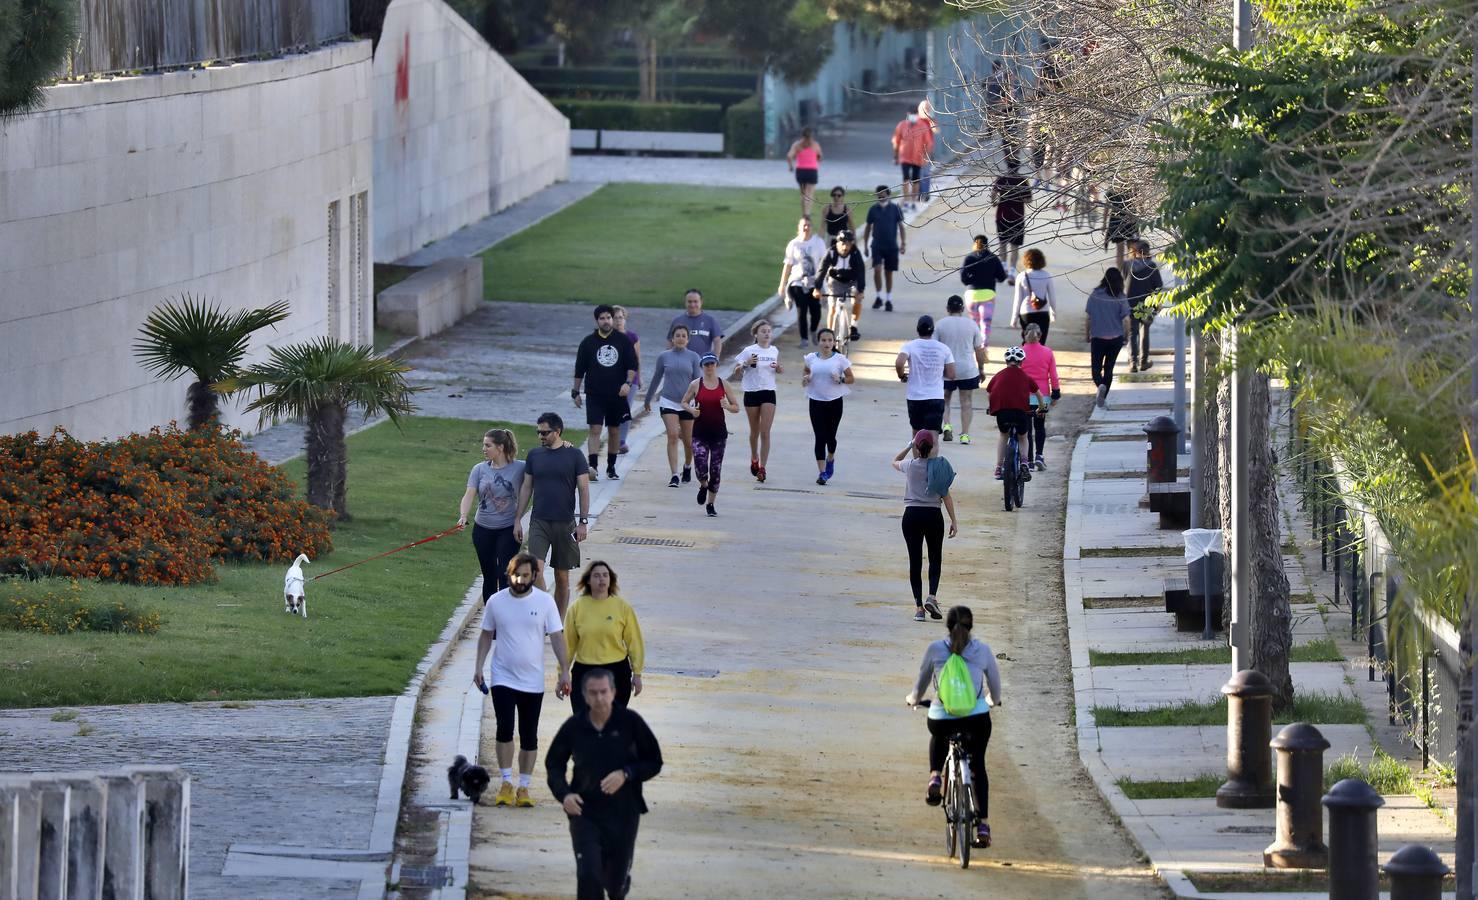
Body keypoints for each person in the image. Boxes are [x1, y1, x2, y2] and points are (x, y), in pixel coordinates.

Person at [546, 668, 663, 900]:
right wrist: (565, 795)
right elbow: (554, 764)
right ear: (584, 696)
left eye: (604, 692)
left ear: (613, 692)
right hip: (585, 810)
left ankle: (619, 884)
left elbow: (654, 761)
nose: (599, 698)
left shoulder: (630, 723)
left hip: (624, 813)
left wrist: (627, 773)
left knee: (614, 884)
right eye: (593, 693)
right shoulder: (574, 726)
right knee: (589, 875)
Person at [474, 553, 572, 808]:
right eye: (516, 575)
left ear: (535, 576)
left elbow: (557, 637)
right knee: (504, 728)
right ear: (509, 575)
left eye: (526, 576)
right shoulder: (496, 602)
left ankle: (524, 786)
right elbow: (486, 636)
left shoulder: (545, 602)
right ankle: (506, 782)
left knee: (529, 735)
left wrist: (564, 670)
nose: (520, 580)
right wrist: (478, 667)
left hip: (532, 679)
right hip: (502, 676)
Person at [906, 605, 1003, 850]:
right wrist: (990, 702)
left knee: (939, 732)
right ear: (971, 627)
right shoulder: (982, 650)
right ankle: (982, 825)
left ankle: (936, 777)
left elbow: (921, 684)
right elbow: (995, 688)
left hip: (943, 716)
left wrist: (914, 699)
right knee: (978, 765)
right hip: (977, 719)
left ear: (947, 627)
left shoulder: (936, 649)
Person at [514, 413, 591, 618]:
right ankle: (546, 610)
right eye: (538, 432)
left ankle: (558, 620)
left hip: (566, 524)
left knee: (562, 577)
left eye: (545, 432)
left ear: (557, 432)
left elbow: (584, 488)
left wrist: (583, 522)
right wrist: (517, 519)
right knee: (535, 569)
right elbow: (526, 487)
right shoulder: (534, 455)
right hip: (539, 520)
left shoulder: (574, 455)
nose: (541, 436)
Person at [891, 430, 959, 622]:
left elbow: (894, 461)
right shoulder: (939, 468)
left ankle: (919, 608)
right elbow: (946, 495)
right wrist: (953, 520)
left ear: (917, 447)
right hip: (933, 515)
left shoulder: (910, 465)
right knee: (935, 557)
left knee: (915, 561)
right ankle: (932, 596)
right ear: (932, 448)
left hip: (911, 515)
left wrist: (908, 445)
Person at [563, 561, 644, 716]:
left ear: (610, 579)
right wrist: (563, 674)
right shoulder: (576, 608)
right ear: (588, 580)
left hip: (617, 672)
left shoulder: (622, 608)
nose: (601, 579)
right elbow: (568, 644)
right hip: (584, 671)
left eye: (605, 575)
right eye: (597, 575)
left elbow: (634, 642)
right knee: (584, 723)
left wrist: (637, 674)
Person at [458, 428, 525, 602]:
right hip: (482, 530)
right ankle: (491, 618)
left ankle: (505, 616)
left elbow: (542, 466)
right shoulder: (479, 469)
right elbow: (469, 494)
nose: (484, 449)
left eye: (488, 445)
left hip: (508, 530)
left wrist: (565, 446)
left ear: (500, 447)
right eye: (483, 445)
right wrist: (463, 515)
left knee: (505, 574)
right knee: (489, 575)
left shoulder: (520, 467)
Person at [573, 305, 637, 482]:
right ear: (597, 321)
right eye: (602, 318)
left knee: (614, 430)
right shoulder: (588, 342)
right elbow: (580, 369)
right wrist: (575, 391)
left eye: (609, 317)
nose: (606, 321)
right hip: (594, 393)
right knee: (594, 428)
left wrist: (628, 383)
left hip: (616, 394)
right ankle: (592, 466)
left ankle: (611, 466)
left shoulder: (622, 341)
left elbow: (632, 365)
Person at [642, 324, 702, 488]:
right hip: (668, 401)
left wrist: (700, 403)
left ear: (688, 339)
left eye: (684, 335)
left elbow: (698, 382)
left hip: (687, 403)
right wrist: (648, 399)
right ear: (672, 338)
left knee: (689, 441)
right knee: (673, 435)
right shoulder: (664, 357)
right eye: (678, 335)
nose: (681, 338)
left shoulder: (694, 357)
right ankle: (674, 474)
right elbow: (656, 378)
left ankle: (687, 466)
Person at [680, 354, 739, 517]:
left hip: (719, 433)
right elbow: (683, 401)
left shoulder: (724, 384)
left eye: (712, 364)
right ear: (702, 367)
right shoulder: (695, 384)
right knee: (700, 465)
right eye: (706, 365)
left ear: (716, 365)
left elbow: (736, 407)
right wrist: (692, 410)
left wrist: (727, 406)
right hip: (700, 432)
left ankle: (711, 504)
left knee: (716, 470)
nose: (709, 367)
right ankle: (703, 485)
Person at [730, 319, 782, 483]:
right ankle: (754, 457)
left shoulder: (774, 350)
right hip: (752, 392)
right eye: (763, 331)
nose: (767, 334)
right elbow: (736, 371)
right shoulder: (749, 350)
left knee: (765, 432)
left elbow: (777, 369)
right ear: (756, 334)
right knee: (755, 432)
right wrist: (746, 364)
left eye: (768, 331)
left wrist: (779, 368)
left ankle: (763, 468)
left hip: (768, 392)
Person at [802, 328, 854, 485]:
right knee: (820, 437)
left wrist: (841, 379)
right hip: (816, 401)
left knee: (831, 438)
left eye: (830, 340)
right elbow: (805, 374)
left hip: (834, 402)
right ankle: (822, 472)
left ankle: (830, 457)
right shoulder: (811, 358)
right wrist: (806, 379)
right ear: (818, 342)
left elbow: (851, 378)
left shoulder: (839, 359)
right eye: (823, 340)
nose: (827, 343)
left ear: (833, 342)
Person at [895, 315, 957, 446]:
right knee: (933, 436)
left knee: (916, 434)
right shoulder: (944, 348)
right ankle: (931, 465)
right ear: (933, 330)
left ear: (917, 329)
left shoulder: (909, 346)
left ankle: (917, 464)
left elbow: (899, 363)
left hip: (915, 397)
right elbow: (951, 374)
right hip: (935, 397)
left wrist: (902, 376)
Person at [985, 345, 1043, 480]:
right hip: (1021, 412)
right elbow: (1039, 394)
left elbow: (989, 392)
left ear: (1006, 361)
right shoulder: (1025, 376)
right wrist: (1041, 408)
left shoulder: (999, 375)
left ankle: (998, 468)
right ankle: (1024, 463)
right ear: (1022, 362)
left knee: (1003, 436)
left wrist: (991, 406)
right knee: (1023, 436)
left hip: (1003, 413)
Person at [935, 295, 985, 446]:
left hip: (946, 368)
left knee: (945, 400)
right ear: (962, 309)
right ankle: (965, 434)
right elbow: (979, 350)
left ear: (948, 309)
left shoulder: (940, 325)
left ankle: (947, 426)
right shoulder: (972, 325)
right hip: (967, 369)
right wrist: (981, 368)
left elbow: (935, 349)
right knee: (967, 402)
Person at [777, 216, 828, 348]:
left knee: (816, 311)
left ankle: (813, 331)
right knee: (802, 310)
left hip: (814, 282)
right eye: (804, 225)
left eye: (808, 225)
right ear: (799, 228)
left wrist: (826, 280)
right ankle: (804, 338)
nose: (806, 228)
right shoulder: (793, 244)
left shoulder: (818, 242)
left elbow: (825, 262)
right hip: (797, 282)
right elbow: (787, 265)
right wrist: (782, 285)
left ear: (812, 227)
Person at [1085, 268, 1133, 408]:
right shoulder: (1121, 297)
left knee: (1096, 368)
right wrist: (1126, 335)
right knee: (1109, 368)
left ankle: (1100, 385)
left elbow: (1088, 317)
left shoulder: (1095, 295)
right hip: (1115, 338)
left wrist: (1087, 334)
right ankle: (1103, 397)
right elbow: (1126, 320)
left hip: (1098, 337)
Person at [960, 235, 1010, 360]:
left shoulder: (969, 258)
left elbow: (963, 278)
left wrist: (971, 280)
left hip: (972, 295)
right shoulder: (993, 258)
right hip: (988, 295)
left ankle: (972, 352)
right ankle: (984, 351)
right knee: (985, 325)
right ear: (988, 244)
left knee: (974, 324)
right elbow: (1002, 277)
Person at [1019, 324, 1060, 470]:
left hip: (1024, 396)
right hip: (1042, 396)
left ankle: (1028, 460)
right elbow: (1053, 375)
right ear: (1040, 336)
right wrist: (1056, 393)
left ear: (1024, 335)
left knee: (1027, 429)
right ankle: (1039, 456)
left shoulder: (1020, 352)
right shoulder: (1047, 352)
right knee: (1040, 426)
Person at [814, 229, 867, 343]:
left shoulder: (855, 254)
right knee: (832, 306)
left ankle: (853, 326)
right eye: (842, 244)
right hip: (835, 281)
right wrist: (817, 288)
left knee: (857, 300)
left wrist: (861, 291)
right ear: (837, 243)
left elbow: (861, 272)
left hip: (852, 280)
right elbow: (822, 270)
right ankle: (830, 332)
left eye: (848, 244)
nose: (845, 248)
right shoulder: (831, 253)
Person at [863, 185, 905, 313]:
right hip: (877, 245)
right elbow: (868, 227)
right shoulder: (873, 209)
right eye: (879, 194)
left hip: (891, 245)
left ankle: (888, 299)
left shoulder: (895, 209)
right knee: (877, 269)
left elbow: (901, 226)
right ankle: (879, 296)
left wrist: (903, 243)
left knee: (888, 272)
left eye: (883, 194)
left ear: (888, 194)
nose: (881, 196)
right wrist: (865, 245)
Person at [1125, 240, 1165, 372]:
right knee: (1145, 332)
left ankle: (1133, 363)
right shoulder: (1152, 266)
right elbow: (1158, 286)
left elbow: (1121, 284)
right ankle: (1143, 362)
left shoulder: (1127, 265)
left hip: (1130, 303)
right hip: (1147, 304)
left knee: (1132, 333)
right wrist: (1158, 303)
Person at [991, 162, 1032, 273]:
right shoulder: (1023, 181)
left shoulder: (1001, 179)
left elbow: (993, 193)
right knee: (1015, 246)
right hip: (1017, 217)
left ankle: (1003, 267)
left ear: (1007, 167)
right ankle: (1012, 271)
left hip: (1002, 215)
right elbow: (1029, 199)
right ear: (1018, 168)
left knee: (1002, 243)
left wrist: (994, 202)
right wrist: (1020, 198)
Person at [1008, 247, 1056, 344]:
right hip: (1043, 312)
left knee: (1027, 341)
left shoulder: (1021, 276)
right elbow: (1052, 297)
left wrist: (1014, 318)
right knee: (1041, 342)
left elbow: (1018, 299)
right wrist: (1053, 313)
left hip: (1026, 313)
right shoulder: (1046, 275)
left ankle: (1027, 358)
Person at [611, 306, 640, 455]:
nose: (618, 321)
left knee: (626, 409)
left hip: (631, 379)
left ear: (625, 319)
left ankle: (622, 441)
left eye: (620, 317)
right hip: (612, 379)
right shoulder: (607, 337)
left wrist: (639, 378)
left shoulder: (632, 337)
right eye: (615, 318)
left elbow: (637, 358)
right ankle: (613, 439)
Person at [891, 105, 934, 206]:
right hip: (904, 157)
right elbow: (896, 141)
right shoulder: (902, 125)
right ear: (908, 114)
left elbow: (929, 143)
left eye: (915, 114)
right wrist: (895, 156)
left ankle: (913, 199)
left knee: (915, 179)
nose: (913, 116)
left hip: (917, 157)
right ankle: (906, 199)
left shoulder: (922, 126)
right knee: (905, 178)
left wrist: (925, 157)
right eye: (911, 114)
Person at [668, 289, 724, 359]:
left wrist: (715, 358)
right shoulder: (677, 321)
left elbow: (717, 341)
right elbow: (670, 342)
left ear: (701, 302)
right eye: (689, 302)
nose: (692, 305)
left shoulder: (710, 321)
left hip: (702, 364)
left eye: (695, 301)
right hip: (681, 363)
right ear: (685, 302)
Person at [786, 127, 823, 217]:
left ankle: (804, 214)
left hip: (801, 171)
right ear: (812, 135)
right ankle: (808, 213)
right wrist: (817, 163)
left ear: (802, 135)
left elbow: (789, 156)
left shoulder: (797, 145)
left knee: (803, 194)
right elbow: (820, 156)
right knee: (810, 193)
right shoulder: (815, 145)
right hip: (812, 171)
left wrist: (791, 167)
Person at [1103, 184, 1138, 272]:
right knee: (1131, 248)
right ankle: (1130, 272)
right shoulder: (1132, 185)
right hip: (1129, 219)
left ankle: (1122, 272)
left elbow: (1107, 207)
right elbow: (1139, 203)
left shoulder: (1113, 186)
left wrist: (1104, 223)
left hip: (1117, 220)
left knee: (1121, 249)